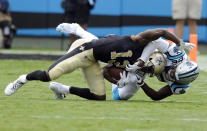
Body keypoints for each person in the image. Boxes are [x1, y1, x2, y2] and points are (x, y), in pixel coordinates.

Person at [4, 23, 194, 101]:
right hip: (138, 55)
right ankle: (22, 80)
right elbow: (156, 40)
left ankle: (61, 89)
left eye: (172, 76)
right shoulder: (169, 52)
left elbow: (156, 96)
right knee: (104, 48)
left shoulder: (179, 84)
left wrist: (139, 80)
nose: (169, 74)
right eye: (171, 71)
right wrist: (144, 60)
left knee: (114, 96)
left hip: (129, 67)